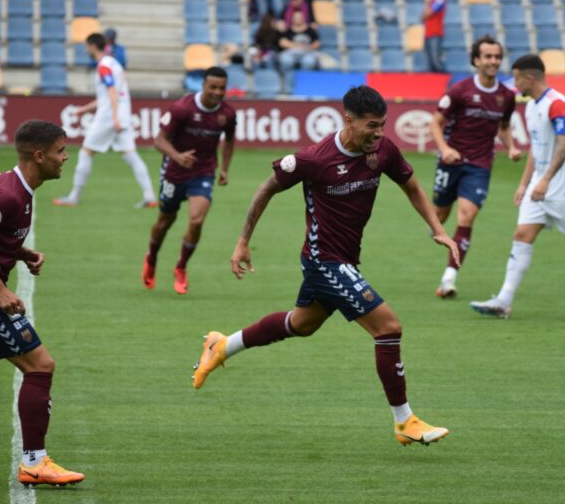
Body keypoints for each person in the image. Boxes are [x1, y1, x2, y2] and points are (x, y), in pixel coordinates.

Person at [192, 86, 459, 446]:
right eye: (372, 126)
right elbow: (266, 189)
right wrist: (242, 242)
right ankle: (404, 421)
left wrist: (438, 230)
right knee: (388, 327)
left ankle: (224, 345)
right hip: (323, 260)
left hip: (344, 259)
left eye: (382, 125)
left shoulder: (384, 150)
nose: (379, 133)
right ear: (348, 120)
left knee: (301, 324)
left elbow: (411, 186)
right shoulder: (314, 159)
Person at [0, 120, 85, 487]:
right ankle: (34, 462)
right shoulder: (8, 194)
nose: (65, 157)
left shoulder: (18, 188)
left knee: (39, 365)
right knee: (40, 365)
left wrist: (19, 252)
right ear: (39, 155)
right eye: (60, 151)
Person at [470, 54, 565, 321]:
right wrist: (525, 182)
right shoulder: (532, 106)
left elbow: (564, 144)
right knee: (522, 235)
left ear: (529, 77)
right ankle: (503, 301)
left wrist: (546, 179)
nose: (515, 84)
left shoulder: (558, 104)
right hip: (539, 186)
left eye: (517, 79)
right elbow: (537, 147)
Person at [431, 35, 521, 298]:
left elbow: (503, 127)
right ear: (476, 60)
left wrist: (511, 146)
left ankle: (448, 279)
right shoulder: (460, 90)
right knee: (440, 215)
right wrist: (445, 149)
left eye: (497, 57)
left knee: (467, 215)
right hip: (451, 161)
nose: (493, 61)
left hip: (480, 164)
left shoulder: (507, 96)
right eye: (488, 56)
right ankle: (435, 222)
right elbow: (435, 122)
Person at [142, 67, 236, 295]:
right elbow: (159, 141)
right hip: (174, 171)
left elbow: (230, 140)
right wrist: (177, 156)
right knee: (165, 220)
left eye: (222, 88)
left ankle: (181, 267)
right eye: (213, 87)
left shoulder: (227, 113)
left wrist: (224, 169)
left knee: (196, 221)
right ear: (203, 85)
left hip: (203, 171)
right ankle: (151, 258)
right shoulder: (182, 108)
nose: (218, 92)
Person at [53, 33, 156, 208]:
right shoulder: (114, 64)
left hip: (109, 117)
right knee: (131, 155)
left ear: (93, 46)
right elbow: (107, 96)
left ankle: (74, 197)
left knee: (86, 152)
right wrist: (85, 109)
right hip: (122, 115)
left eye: (87, 46)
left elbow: (111, 93)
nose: (86, 49)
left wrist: (114, 117)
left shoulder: (104, 66)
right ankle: (150, 196)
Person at [422, 0, 445, 73]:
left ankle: (443, 77)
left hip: (435, 33)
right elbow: (422, 17)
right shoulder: (431, 1)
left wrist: (427, 3)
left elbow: (428, 13)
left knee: (435, 60)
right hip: (428, 33)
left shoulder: (439, 0)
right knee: (429, 60)